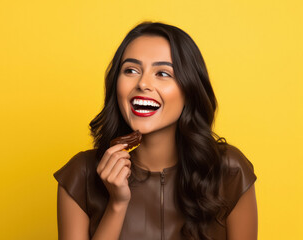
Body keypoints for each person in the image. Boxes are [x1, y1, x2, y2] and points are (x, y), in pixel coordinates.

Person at [53, 21, 257, 240]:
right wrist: (117, 205)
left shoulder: (229, 172)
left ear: (189, 89)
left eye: (163, 73)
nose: (143, 84)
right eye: (131, 70)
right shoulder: (80, 175)